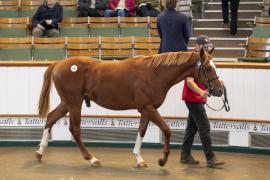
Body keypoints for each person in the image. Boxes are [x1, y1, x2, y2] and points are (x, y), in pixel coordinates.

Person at [180, 35, 225, 168]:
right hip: (193, 98)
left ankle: (185, 155)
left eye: (207, 47)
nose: (206, 49)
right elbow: (189, 82)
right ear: (197, 46)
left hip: (199, 97)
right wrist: (200, 92)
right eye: (204, 47)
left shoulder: (205, 58)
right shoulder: (191, 59)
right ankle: (210, 158)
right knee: (204, 127)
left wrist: (218, 82)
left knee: (191, 128)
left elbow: (210, 74)